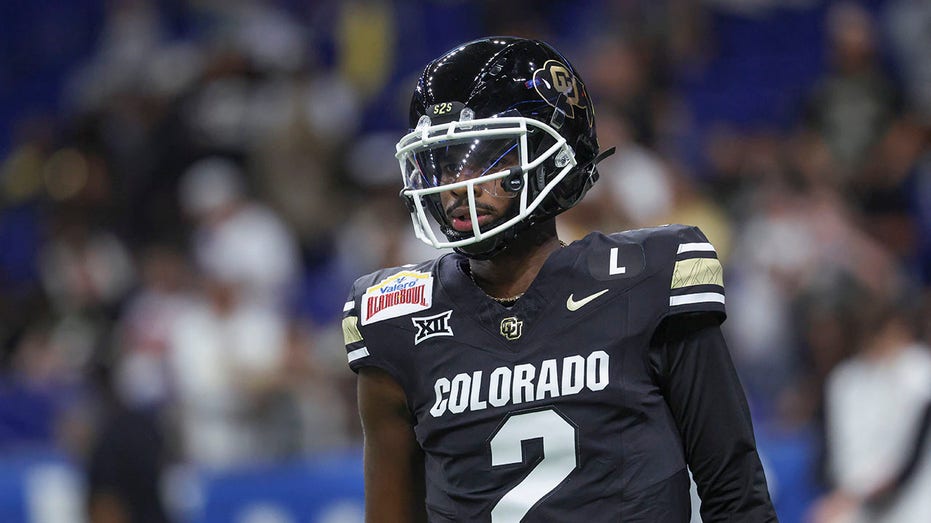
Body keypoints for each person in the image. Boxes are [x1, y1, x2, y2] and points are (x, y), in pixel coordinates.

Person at [341, 36, 777, 522]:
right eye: (447, 160)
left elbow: (736, 498)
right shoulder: (397, 317)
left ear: (556, 154)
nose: (460, 184)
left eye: (490, 156)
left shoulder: (647, 280)